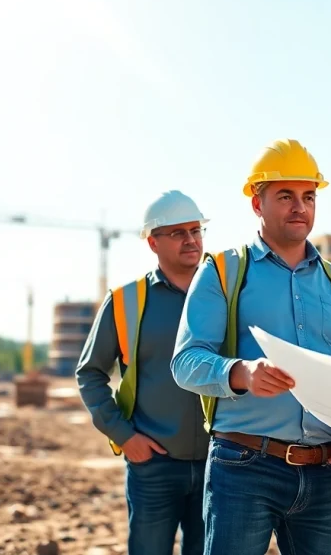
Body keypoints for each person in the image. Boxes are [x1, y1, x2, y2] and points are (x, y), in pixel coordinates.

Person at [170, 138, 331, 555]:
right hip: (243, 468)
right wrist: (242, 374)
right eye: (285, 196)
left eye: (308, 196)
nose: (299, 207)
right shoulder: (223, 271)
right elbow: (185, 362)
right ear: (257, 203)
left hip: (325, 474)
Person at [75, 190, 212, 555]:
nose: (191, 240)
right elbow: (89, 373)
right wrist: (124, 436)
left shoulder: (225, 293)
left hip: (221, 464)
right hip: (154, 465)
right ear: (153, 242)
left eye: (196, 231)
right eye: (178, 233)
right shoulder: (125, 302)